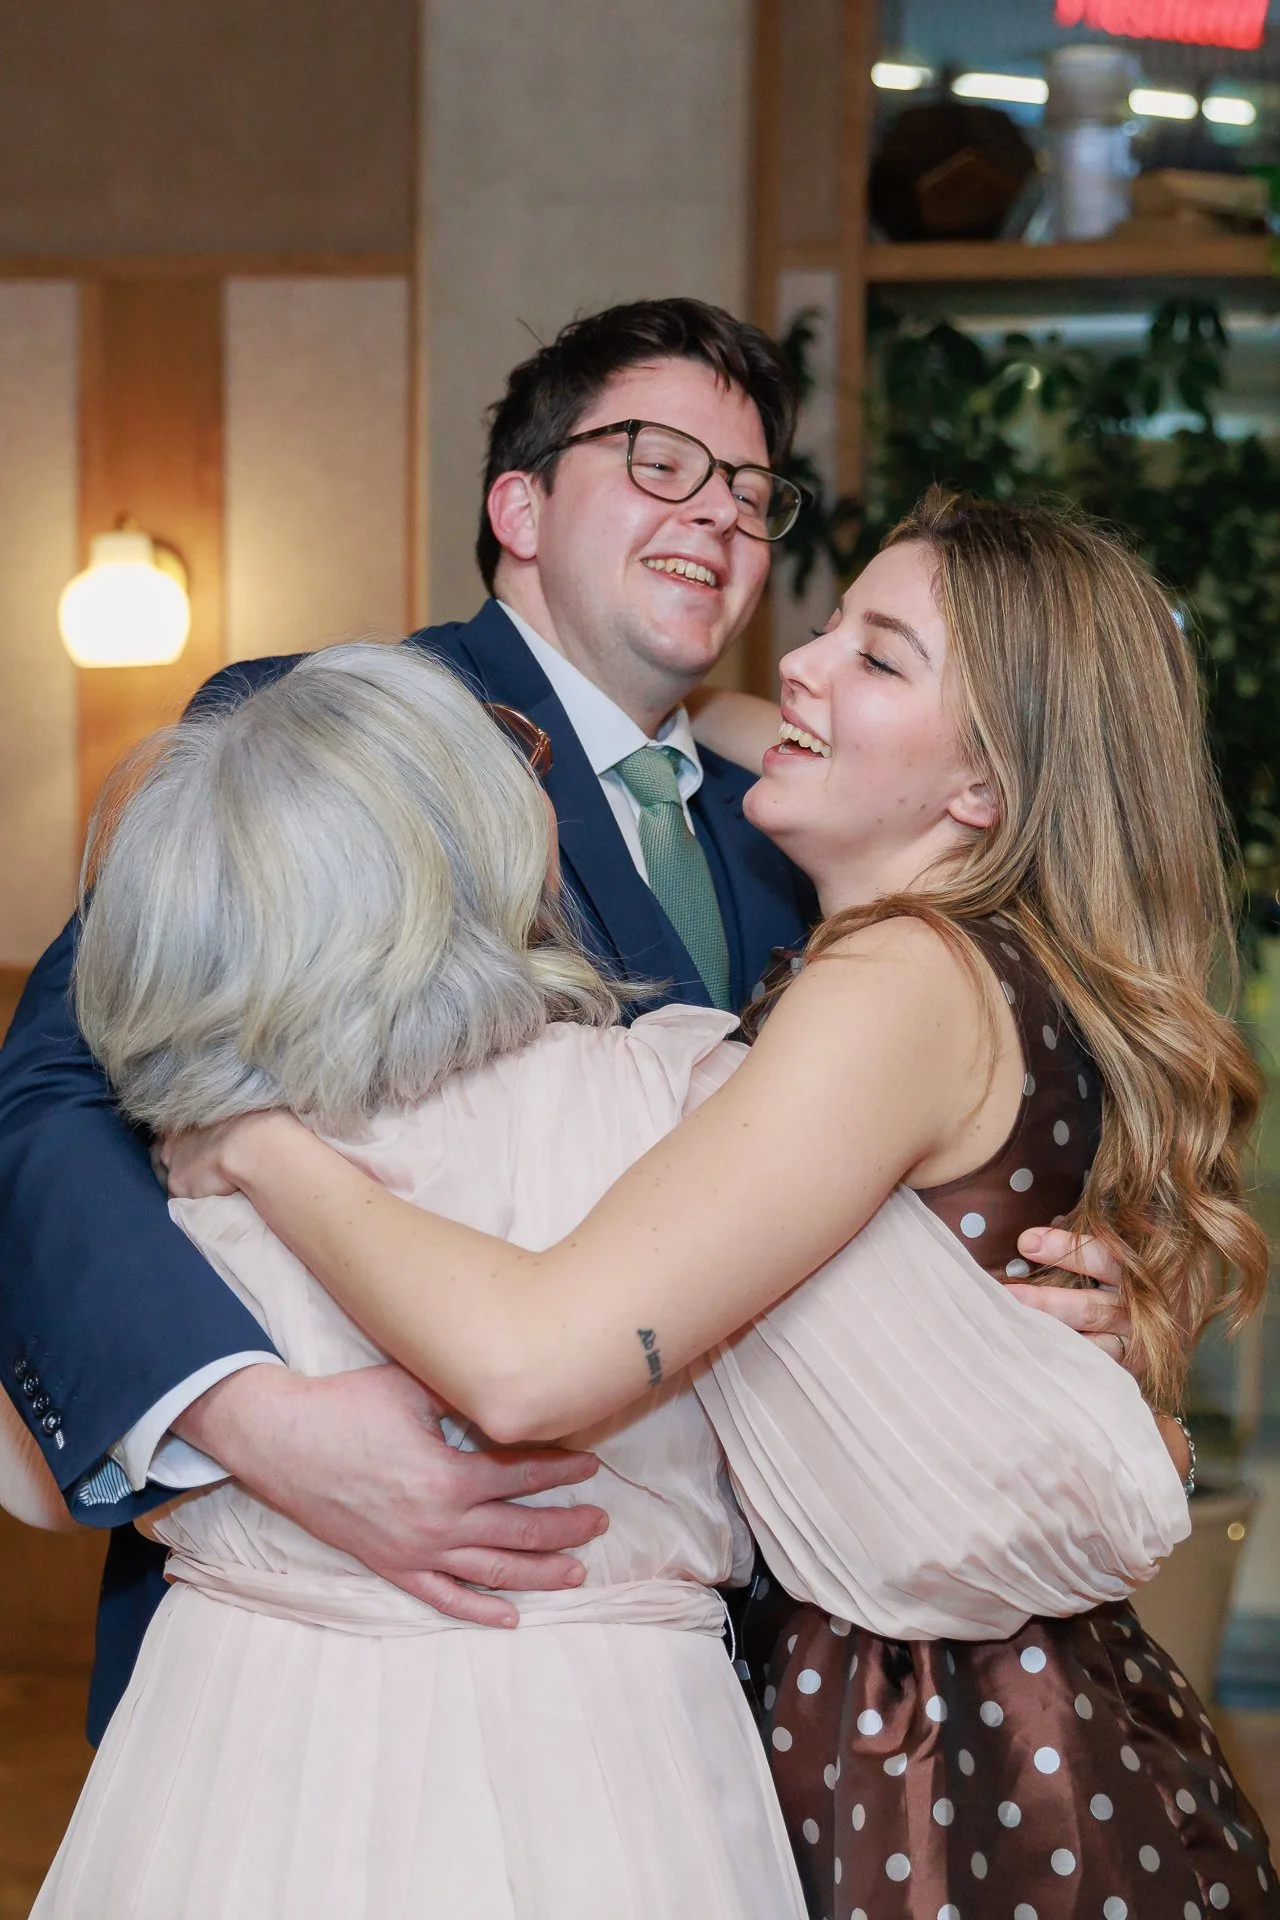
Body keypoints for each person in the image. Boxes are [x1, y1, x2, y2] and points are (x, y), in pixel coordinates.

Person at [0, 299, 1121, 1741]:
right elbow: (55, 1092)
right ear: (517, 503)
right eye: (660, 461)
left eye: (749, 488)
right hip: (327, 1646)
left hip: (690, 1673)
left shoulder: (801, 836)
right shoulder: (331, 728)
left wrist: (1040, 1292)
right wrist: (244, 1429)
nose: (716, 513)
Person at [158, 494, 1275, 1918]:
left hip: (944, 1767)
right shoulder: (989, 964)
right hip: (1016, 1723)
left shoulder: (899, 985)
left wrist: (261, 1145)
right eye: (825, 626)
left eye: (879, 657)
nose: (800, 664)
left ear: (984, 789)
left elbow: (531, 1365)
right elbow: (735, 717)